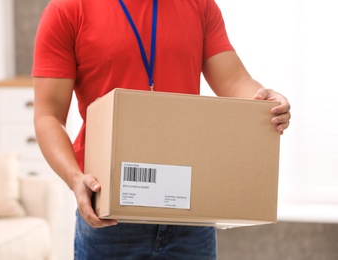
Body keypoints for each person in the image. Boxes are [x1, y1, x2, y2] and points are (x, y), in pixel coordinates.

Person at [32, 0, 291, 259]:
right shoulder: (68, 9)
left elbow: (234, 81)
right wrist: (74, 178)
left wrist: (264, 102)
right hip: (108, 210)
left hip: (189, 211)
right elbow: (49, 116)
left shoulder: (199, 5)